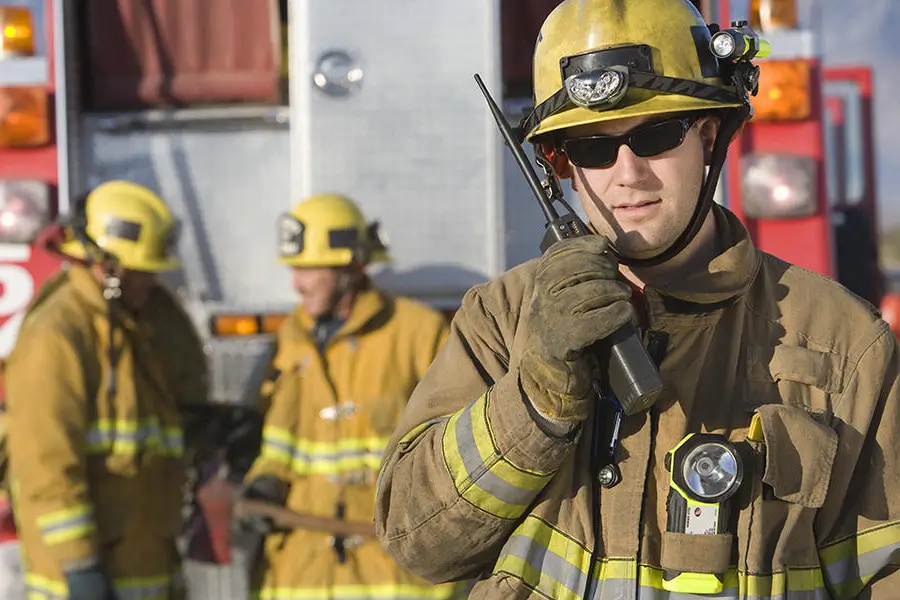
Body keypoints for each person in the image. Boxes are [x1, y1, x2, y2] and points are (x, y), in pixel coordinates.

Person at [373, 1, 900, 598]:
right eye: (594, 148)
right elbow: (418, 542)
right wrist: (534, 400)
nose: (628, 173)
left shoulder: (843, 342)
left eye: (655, 136)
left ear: (707, 136)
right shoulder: (500, 320)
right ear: (560, 166)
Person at [238, 193, 464, 599]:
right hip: (301, 572)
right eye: (294, 268)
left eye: (309, 268)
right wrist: (264, 483)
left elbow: (456, 448)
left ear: (352, 266)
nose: (296, 283)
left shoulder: (417, 333)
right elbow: (278, 444)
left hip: (391, 574)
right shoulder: (290, 341)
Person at [4, 180, 209, 600]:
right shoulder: (57, 336)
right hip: (85, 579)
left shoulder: (143, 320)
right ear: (107, 265)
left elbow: (176, 403)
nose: (150, 281)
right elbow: (46, 465)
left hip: (148, 568)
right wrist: (80, 567)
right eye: (140, 271)